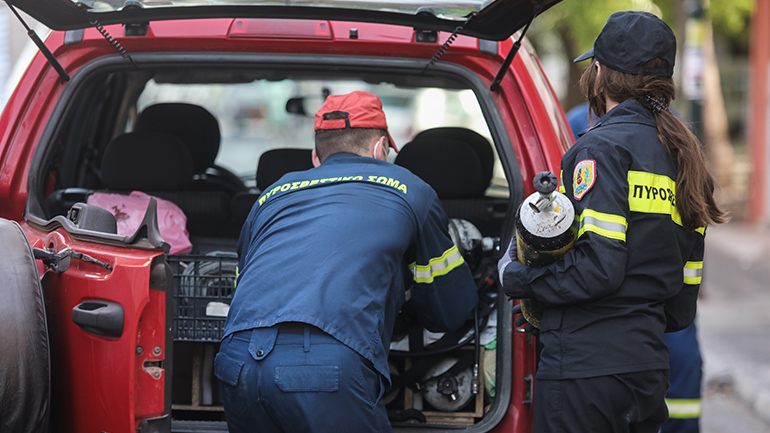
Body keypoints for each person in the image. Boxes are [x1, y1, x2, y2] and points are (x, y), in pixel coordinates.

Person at [498, 11, 725, 433]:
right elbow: (681, 303)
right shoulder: (686, 160)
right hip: (647, 371)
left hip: (586, 373)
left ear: (600, 73)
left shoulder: (601, 150)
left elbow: (600, 268)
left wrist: (519, 278)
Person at [215, 90, 479, 433]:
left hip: (236, 363)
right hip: (323, 369)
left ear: (315, 156)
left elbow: (245, 283)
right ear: (380, 148)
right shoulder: (410, 190)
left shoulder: (272, 194)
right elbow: (449, 309)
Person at [568, 101, 705, 433]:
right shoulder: (678, 134)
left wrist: (522, 279)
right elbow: (687, 281)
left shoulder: (584, 130)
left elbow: (593, 266)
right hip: (659, 332)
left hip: (596, 340)